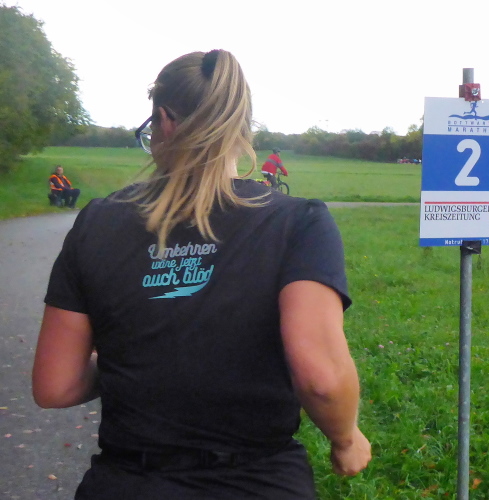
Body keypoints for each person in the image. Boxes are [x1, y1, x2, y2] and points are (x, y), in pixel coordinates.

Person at [32, 49, 370, 500]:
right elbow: (321, 379)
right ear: (242, 128)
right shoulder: (298, 222)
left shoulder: (97, 222)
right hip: (258, 482)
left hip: (128, 482)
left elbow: (56, 385)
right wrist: (346, 439)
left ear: (164, 120)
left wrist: (127, 363)